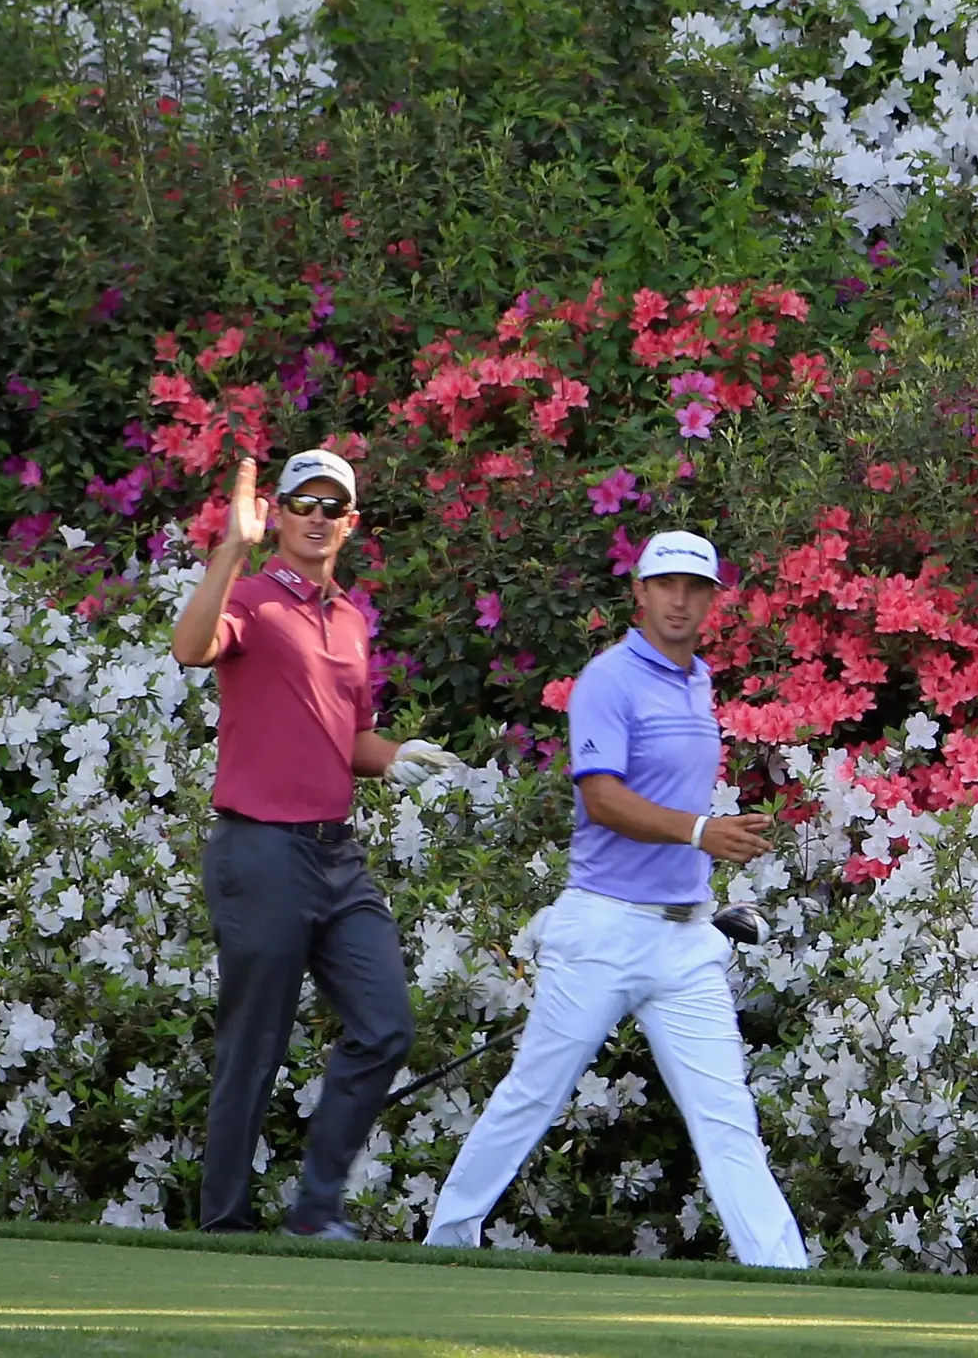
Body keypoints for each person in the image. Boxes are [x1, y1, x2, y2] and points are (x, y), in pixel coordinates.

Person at [424, 529, 810, 1268]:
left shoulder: (697, 682)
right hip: (602, 926)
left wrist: (705, 842)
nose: (680, 599)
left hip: (684, 937)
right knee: (533, 1096)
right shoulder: (609, 679)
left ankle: (784, 1275)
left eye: (696, 588)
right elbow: (602, 800)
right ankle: (445, 1244)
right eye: (666, 584)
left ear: (710, 601)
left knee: (727, 1117)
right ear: (639, 592)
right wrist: (703, 832)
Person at [171, 444, 453, 1238]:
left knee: (385, 1024)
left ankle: (313, 1210)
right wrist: (232, 546)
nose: (318, 518)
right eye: (304, 504)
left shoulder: (353, 620)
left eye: (334, 507)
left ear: (351, 522)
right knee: (253, 1048)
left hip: (336, 855)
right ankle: (225, 1228)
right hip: (260, 850)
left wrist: (397, 758)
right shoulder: (253, 600)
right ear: (281, 514)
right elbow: (190, 649)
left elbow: (347, 739)